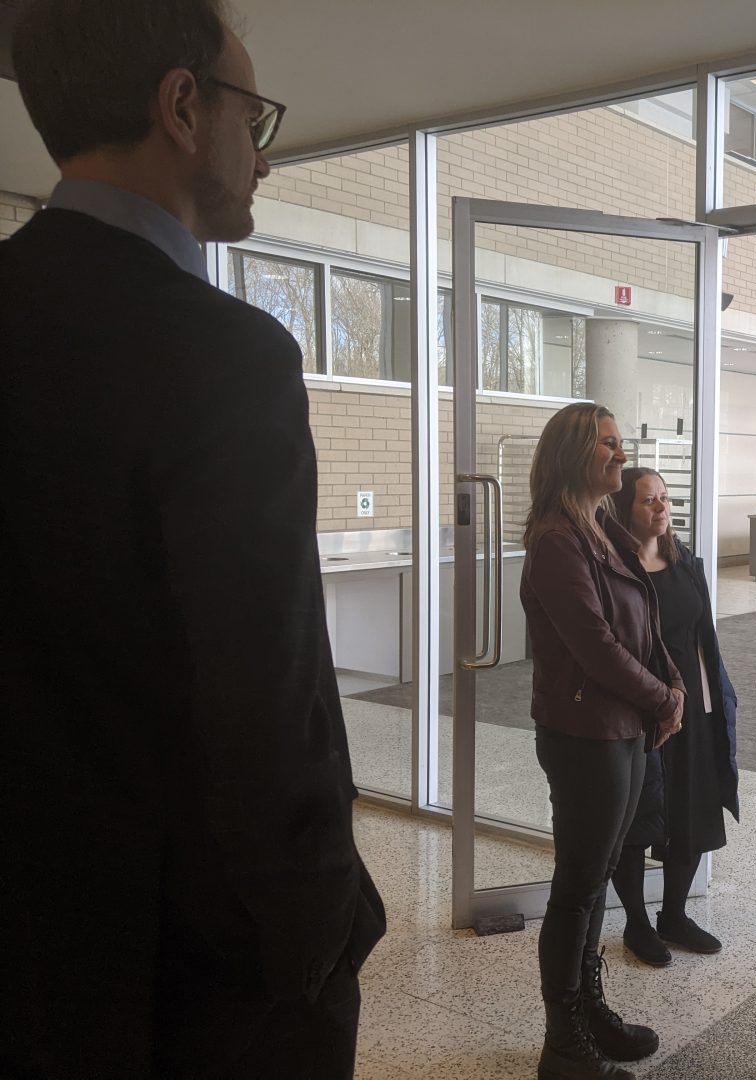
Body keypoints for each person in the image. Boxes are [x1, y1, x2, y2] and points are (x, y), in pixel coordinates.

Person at [0, 1, 385, 1076]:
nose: (263, 156)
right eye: (251, 116)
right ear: (181, 105)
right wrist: (322, 937)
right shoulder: (227, 358)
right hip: (196, 974)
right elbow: (268, 697)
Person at [521, 403, 686, 1080]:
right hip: (585, 734)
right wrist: (661, 697)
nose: (622, 455)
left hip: (620, 730)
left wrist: (671, 680)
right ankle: (563, 1046)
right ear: (573, 455)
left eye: (622, 443)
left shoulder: (599, 528)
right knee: (578, 889)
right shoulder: (558, 539)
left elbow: (644, 621)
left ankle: (589, 1016)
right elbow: (595, 645)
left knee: (593, 887)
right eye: (607, 445)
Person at [610, 467, 740, 967]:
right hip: (642, 713)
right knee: (639, 821)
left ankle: (674, 915)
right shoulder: (616, 569)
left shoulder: (686, 562)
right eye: (648, 500)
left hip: (695, 710)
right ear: (625, 510)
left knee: (693, 812)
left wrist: (713, 706)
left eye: (664, 498)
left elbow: (704, 638)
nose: (661, 508)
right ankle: (638, 925)